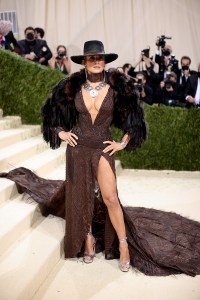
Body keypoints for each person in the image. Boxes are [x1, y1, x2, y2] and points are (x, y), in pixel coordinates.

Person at [1, 40, 200, 277]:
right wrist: (61, 132)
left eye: (100, 58)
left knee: (110, 198)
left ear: (105, 62)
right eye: (92, 58)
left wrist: (123, 142)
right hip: (77, 149)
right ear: (84, 62)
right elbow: (50, 114)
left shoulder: (118, 87)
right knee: (81, 198)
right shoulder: (71, 86)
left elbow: (134, 121)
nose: (97, 62)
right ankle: (88, 240)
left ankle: (124, 243)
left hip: (102, 147)